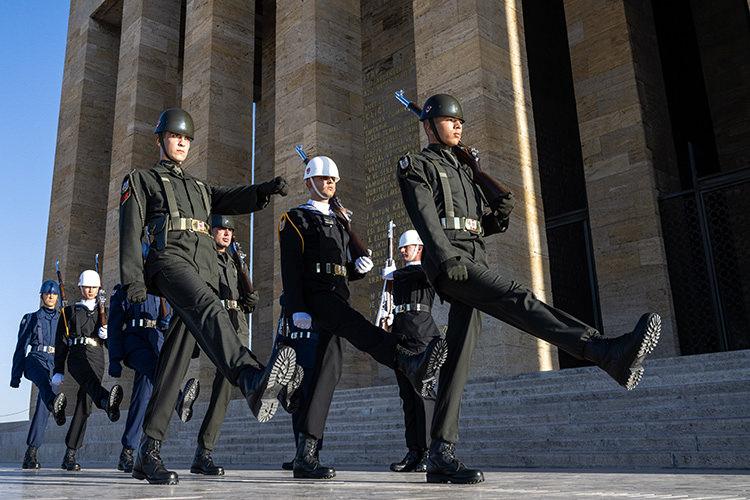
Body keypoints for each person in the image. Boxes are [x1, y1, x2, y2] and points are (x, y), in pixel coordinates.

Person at [397, 94, 662, 484]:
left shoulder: (466, 168)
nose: (457, 126)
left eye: (460, 121)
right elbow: (425, 217)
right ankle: (602, 350)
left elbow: (478, 224)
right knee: (517, 298)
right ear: (429, 125)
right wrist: (445, 256)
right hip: (451, 264)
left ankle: (440, 452)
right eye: (449, 120)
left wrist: (497, 211)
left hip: (474, 259)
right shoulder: (416, 165)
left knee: (458, 360)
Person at [120, 108, 297, 485]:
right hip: (168, 262)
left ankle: (146, 452)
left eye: (186, 138)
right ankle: (251, 380)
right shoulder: (141, 180)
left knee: (172, 367)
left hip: (200, 270)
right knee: (209, 307)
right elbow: (129, 231)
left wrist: (262, 190)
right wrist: (133, 280)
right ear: (160, 140)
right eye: (174, 136)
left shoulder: (199, 188)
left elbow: (228, 198)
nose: (181, 142)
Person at [278, 155, 449, 479]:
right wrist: (296, 308)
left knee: (326, 375)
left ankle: (307, 452)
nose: (329, 184)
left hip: (336, 294)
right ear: (309, 182)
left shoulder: (339, 220)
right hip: (315, 298)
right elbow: (291, 269)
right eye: (324, 179)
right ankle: (405, 360)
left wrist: (358, 269)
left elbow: (346, 265)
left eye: (333, 180)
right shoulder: (295, 218)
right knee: (357, 326)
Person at [108, 276, 199, 473]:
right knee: (160, 371)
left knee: (141, 399)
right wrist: (114, 359)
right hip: (134, 341)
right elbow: (114, 325)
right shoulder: (124, 288)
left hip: (156, 341)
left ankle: (128, 452)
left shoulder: (162, 286)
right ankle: (180, 399)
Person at [382, 230, 442, 473]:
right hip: (401, 334)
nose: (402, 251)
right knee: (407, 396)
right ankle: (414, 451)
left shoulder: (423, 269)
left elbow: (424, 272)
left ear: (419, 248)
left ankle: (430, 451)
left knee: (423, 394)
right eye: (401, 248)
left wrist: (394, 274)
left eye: (406, 247)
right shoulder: (399, 276)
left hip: (421, 334)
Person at [53, 270, 124, 471]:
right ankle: (106, 401)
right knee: (90, 383)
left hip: (96, 355)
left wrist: (107, 334)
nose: (90, 290)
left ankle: (70, 454)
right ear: (80, 288)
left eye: (94, 287)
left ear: (98, 288)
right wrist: (58, 368)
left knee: (85, 404)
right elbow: (61, 342)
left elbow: (111, 344)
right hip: (76, 356)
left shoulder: (105, 311)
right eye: (87, 287)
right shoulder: (69, 311)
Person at [10, 279, 68, 469]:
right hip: (34, 358)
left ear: (57, 297)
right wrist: (15, 376)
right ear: (41, 296)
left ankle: (32, 452)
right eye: (47, 293)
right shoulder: (32, 318)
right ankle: (55, 404)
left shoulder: (63, 319)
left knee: (43, 405)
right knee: (43, 381)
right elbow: (21, 347)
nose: (50, 296)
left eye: (53, 293)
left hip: (53, 362)